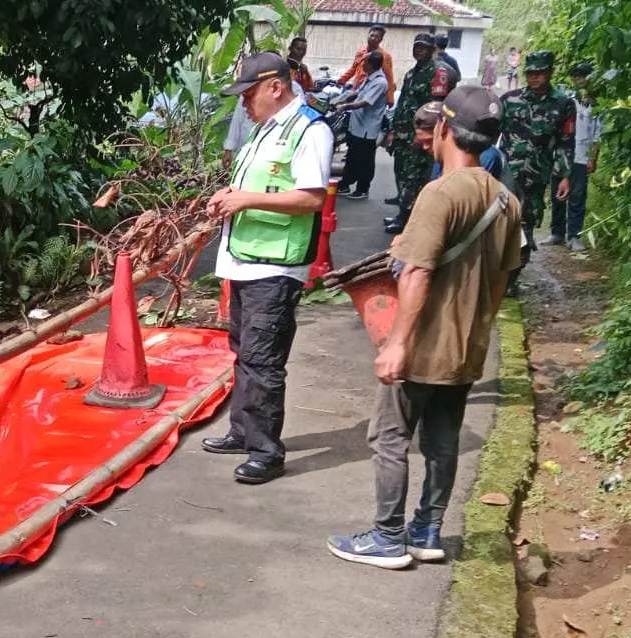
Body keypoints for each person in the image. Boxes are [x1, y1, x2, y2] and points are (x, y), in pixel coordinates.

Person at [327, 85, 525, 569]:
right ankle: (428, 530)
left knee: (390, 437)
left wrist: (398, 344)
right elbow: (503, 280)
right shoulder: (506, 201)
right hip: (466, 348)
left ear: (443, 128)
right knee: (442, 440)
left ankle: (388, 536)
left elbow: (415, 272)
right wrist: (475, 330)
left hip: (424, 346)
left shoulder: (439, 194)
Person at [201, 52, 334, 485]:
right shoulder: (265, 130)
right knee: (243, 353)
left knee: (262, 361)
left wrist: (246, 201)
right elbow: (259, 185)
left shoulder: (309, 131)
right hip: (245, 259)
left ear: (275, 87)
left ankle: (265, 451)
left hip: (275, 267)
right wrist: (230, 195)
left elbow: (312, 198)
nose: (243, 103)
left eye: (248, 94)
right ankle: (242, 431)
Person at [500, 49, 575, 294]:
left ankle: (511, 281)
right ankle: (492, 277)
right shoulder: (509, 100)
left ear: (550, 73)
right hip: (505, 175)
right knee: (498, 224)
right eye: (530, 73)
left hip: (536, 177)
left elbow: (566, 141)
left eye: (540, 74)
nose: (534, 78)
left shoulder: (563, 104)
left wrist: (564, 176)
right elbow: (492, 134)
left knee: (524, 226)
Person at [383, 34, 453, 235]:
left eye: (423, 47)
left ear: (432, 49)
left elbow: (436, 108)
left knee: (414, 179)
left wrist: (423, 135)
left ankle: (409, 219)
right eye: (416, 47)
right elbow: (403, 102)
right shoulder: (412, 73)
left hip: (419, 137)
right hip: (402, 135)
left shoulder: (438, 73)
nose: (419, 50)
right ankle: (402, 214)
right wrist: (393, 130)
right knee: (401, 174)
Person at [551, 61, 600, 251]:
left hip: (582, 154)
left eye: (581, 76)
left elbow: (598, 134)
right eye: (575, 76)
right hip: (562, 153)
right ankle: (556, 233)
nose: (577, 80)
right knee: (557, 194)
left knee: (578, 196)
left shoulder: (596, 104)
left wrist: (593, 157)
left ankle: (574, 235)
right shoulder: (566, 99)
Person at [335, 52, 389, 199]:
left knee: (364, 160)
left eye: (364, 63)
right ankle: (345, 183)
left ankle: (363, 189)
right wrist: (340, 99)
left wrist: (345, 106)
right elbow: (357, 93)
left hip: (367, 128)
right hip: (357, 126)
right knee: (352, 157)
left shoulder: (380, 82)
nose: (362, 65)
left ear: (370, 64)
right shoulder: (370, 78)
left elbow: (365, 102)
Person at [338, 24, 396, 104]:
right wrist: (341, 80)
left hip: (370, 93)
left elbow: (389, 78)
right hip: (356, 90)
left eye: (377, 37)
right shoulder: (361, 51)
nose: (373, 38)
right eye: (371, 35)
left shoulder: (385, 56)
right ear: (368, 35)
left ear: (381, 39)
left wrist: (390, 98)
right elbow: (353, 69)